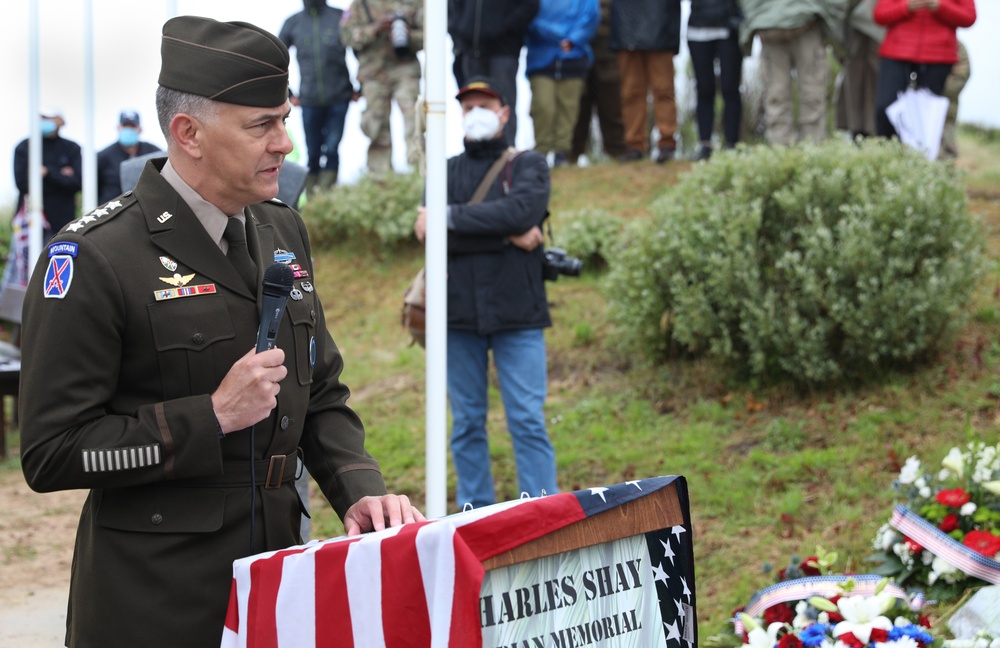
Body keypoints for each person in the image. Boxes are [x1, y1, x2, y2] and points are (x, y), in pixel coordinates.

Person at [18, 16, 423, 648]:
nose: (285, 143)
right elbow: (51, 451)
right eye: (262, 124)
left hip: (278, 581)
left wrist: (358, 490)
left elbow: (319, 391)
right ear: (190, 133)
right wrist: (208, 417)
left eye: (284, 119)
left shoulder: (282, 229)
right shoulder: (94, 257)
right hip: (156, 601)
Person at [412, 77, 559, 510]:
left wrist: (451, 217)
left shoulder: (529, 164)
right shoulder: (444, 169)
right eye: (468, 104)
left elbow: (525, 210)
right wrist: (508, 233)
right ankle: (473, 513)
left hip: (519, 316)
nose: (475, 110)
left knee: (528, 420)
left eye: (484, 103)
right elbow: (431, 234)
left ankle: (541, 510)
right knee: (466, 424)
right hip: (457, 318)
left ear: (504, 112)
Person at [740, 0, 846, 145]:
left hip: (801, 23)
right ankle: (797, 153)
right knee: (785, 95)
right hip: (777, 26)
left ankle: (797, 153)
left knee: (798, 94)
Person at [279, 0, 357, 194]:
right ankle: (313, 196)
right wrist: (288, 93)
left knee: (332, 149)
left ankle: (328, 194)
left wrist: (361, 87)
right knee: (313, 152)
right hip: (309, 101)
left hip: (339, 97)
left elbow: (362, 51)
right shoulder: (293, 22)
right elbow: (276, 59)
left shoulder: (341, 18)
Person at [340, 0, 424, 175]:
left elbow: (430, 35)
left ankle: (419, 170)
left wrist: (407, 35)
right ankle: (380, 176)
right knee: (376, 125)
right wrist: (376, 28)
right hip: (373, 74)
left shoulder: (414, 2)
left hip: (405, 69)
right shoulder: (359, 5)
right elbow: (346, 37)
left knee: (414, 120)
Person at [873, 0, 976, 140]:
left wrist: (940, 6)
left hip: (939, 55)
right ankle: (886, 154)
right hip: (896, 52)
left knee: (928, 118)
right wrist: (906, 6)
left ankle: (920, 158)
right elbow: (879, 15)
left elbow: (969, 17)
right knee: (885, 108)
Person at [448, 0, 540, 147]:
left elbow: (530, 5)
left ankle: (507, 156)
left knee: (503, 103)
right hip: (470, 51)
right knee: (473, 104)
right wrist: (461, 32)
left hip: (503, 51)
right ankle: (476, 156)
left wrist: (505, 27)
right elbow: (452, 7)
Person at [525, 0, 600, 167]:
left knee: (569, 107)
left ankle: (562, 153)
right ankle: (541, 153)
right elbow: (529, 17)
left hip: (574, 59)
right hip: (541, 61)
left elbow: (590, 18)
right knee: (544, 106)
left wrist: (572, 40)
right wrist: (559, 36)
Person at [609, 0, 683, 163]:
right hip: (627, 29)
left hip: (661, 29)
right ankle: (634, 144)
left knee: (663, 90)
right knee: (631, 92)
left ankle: (667, 142)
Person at [569, 0, 627, 163]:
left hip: (609, 56)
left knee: (612, 108)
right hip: (576, 55)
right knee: (578, 109)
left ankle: (619, 153)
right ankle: (571, 155)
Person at [686, 0, 745, 161]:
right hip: (697, 29)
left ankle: (732, 143)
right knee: (704, 89)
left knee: (730, 88)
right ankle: (705, 144)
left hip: (728, 28)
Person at [12, 107, 82, 239]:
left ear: (60, 120)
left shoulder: (72, 148)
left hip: (63, 223)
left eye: (49, 118)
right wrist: (61, 176)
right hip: (30, 223)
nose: (44, 121)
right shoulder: (24, 147)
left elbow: (77, 183)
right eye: (42, 118)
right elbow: (22, 184)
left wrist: (47, 173)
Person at [835, 0, 884, 139]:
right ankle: (859, 133)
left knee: (876, 79)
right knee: (855, 79)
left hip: (882, 20)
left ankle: (875, 133)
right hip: (855, 20)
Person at [95, 110, 162, 205]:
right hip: (113, 210)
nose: (129, 130)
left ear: (139, 129)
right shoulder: (103, 156)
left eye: (132, 126)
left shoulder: (153, 151)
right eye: (125, 126)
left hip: (145, 207)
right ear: (118, 128)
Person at [939, 39, 970, 161]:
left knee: (945, 152)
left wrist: (935, 91)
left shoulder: (955, 45)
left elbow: (962, 74)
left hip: (946, 110)